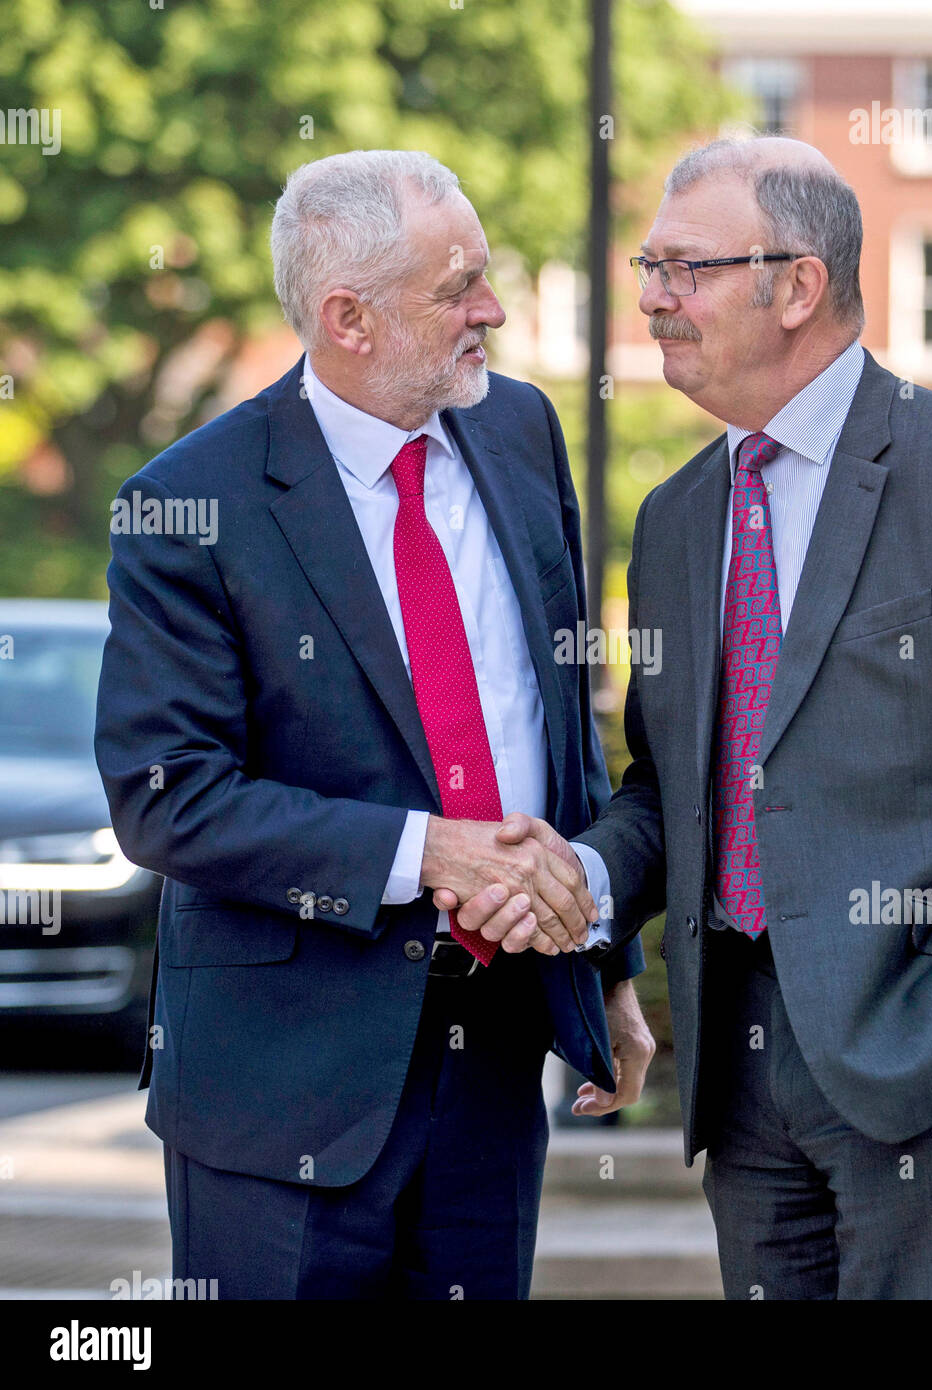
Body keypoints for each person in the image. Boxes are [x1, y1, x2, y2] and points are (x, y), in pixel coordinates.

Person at [461, 136, 932, 1298]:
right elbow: (670, 784)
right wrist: (582, 881)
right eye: (648, 267)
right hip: (736, 1068)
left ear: (794, 284)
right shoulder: (680, 513)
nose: (651, 296)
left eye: (685, 268)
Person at [93, 149, 652, 1301]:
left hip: (494, 1057)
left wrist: (607, 962)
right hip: (279, 1080)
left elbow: (559, 727)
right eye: (459, 288)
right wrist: (425, 851)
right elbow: (167, 793)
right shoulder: (190, 503)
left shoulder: (522, 433)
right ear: (347, 316)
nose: (492, 309)